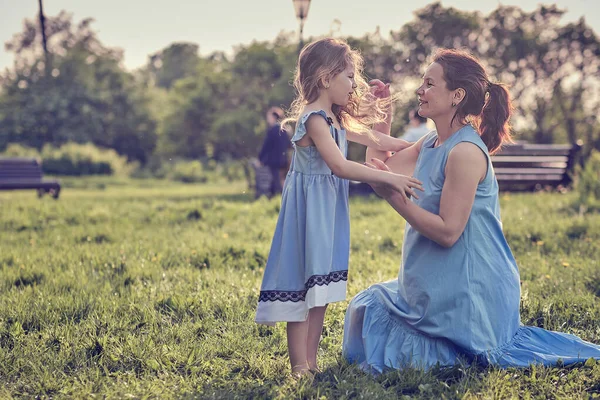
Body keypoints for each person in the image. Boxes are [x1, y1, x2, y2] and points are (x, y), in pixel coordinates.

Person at [342, 48, 600, 373]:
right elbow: (382, 169)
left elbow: (449, 233)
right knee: (367, 307)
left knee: (395, 343)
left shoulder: (465, 151)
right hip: (433, 280)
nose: (420, 90)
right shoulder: (431, 141)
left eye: (430, 83)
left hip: (468, 289)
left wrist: (395, 197)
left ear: (457, 95)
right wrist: (381, 118)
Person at [254, 38, 424, 377]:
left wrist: (427, 145)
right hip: (309, 215)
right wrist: (390, 179)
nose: (354, 85)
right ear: (325, 77)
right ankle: (299, 366)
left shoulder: (335, 119)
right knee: (303, 290)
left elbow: (378, 140)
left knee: (320, 293)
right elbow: (341, 167)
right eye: (348, 76)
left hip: (329, 213)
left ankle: (311, 364)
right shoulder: (315, 120)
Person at [258, 106, 292, 196]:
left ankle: (280, 196)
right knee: (279, 179)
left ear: (273, 117)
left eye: (268, 117)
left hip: (274, 160)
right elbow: (289, 146)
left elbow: (266, 146)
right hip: (283, 159)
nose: (268, 120)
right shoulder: (285, 130)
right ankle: (274, 197)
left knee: (276, 180)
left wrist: (260, 158)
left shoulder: (272, 130)